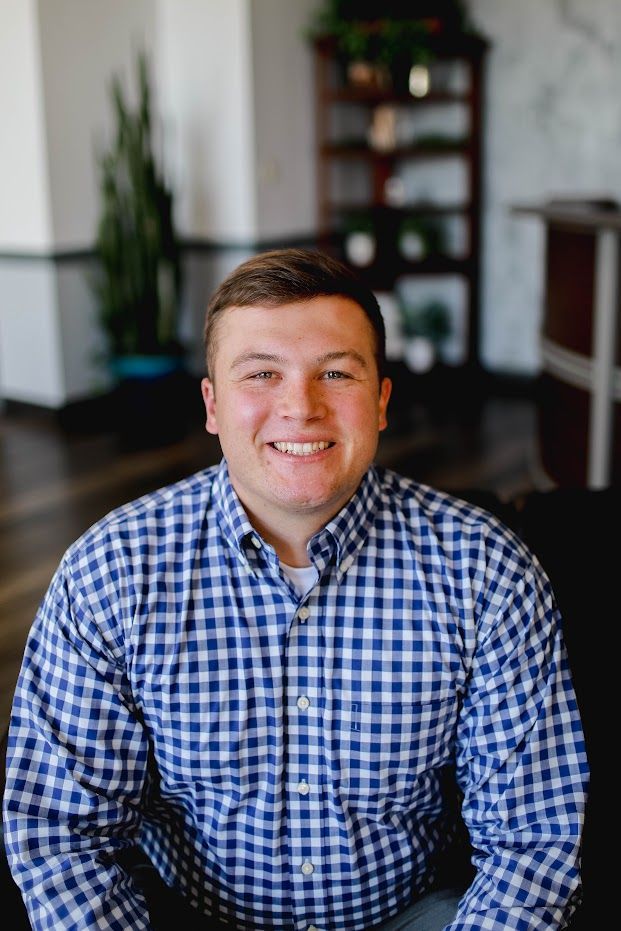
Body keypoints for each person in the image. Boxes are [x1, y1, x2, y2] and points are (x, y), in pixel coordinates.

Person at [3, 248, 588, 930]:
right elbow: (61, 837)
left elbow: (532, 843)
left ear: (380, 402)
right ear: (213, 405)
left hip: (411, 915)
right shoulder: (110, 572)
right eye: (262, 373)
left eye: (335, 372)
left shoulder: (486, 570)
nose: (299, 406)